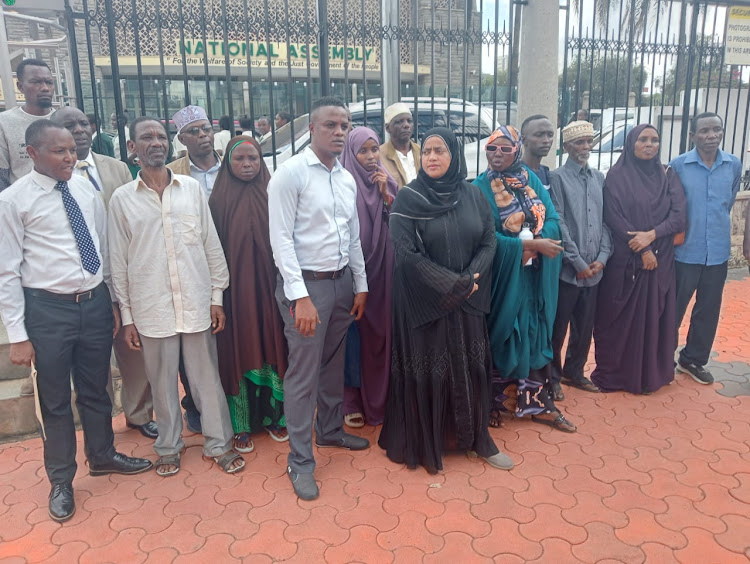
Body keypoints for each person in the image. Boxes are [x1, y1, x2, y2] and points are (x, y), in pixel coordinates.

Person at [0, 121, 152, 522]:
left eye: (72, 149)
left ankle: (102, 455)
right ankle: (61, 479)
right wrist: (18, 334)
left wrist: (115, 303)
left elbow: (102, 249)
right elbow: (7, 272)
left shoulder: (85, 189)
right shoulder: (13, 202)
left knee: (96, 388)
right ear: (32, 153)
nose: (71, 157)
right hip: (47, 311)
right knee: (54, 399)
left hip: (94, 304)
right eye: (59, 151)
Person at [108, 116, 244, 477]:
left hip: (197, 301)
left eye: (160, 136)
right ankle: (168, 446)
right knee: (162, 382)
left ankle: (219, 443)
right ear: (132, 149)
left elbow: (210, 245)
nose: (156, 142)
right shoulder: (122, 200)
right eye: (146, 137)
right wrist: (129, 317)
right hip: (151, 307)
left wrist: (217, 295)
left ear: (170, 144)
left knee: (206, 380)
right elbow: (118, 262)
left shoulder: (191, 190)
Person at [379, 126, 513, 474]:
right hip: (425, 302)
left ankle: (477, 438)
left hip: (468, 299)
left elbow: (489, 241)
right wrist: (452, 284)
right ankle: (429, 442)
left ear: (454, 156)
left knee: (471, 367)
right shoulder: (409, 198)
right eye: (427, 152)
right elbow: (406, 254)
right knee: (431, 368)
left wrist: (469, 281)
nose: (433, 157)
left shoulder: (473, 195)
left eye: (441, 151)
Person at [268, 96, 369, 501]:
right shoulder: (290, 175)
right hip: (306, 289)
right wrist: (300, 297)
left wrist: (360, 285)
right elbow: (280, 240)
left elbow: (354, 236)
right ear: (311, 129)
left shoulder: (345, 178)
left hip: (341, 284)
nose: (339, 132)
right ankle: (300, 460)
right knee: (304, 374)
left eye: (344, 125)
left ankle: (329, 431)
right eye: (330, 125)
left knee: (332, 365)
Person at [51, 107, 157, 439]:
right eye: (70, 125)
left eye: (85, 123)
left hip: (124, 270)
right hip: (81, 281)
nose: (80, 130)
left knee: (134, 350)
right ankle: (102, 423)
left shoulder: (115, 168)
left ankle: (140, 414)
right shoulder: (50, 175)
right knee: (95, 359)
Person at [473, 125, 576, 434]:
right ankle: (493, 402)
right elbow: (483, 238)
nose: (498, 155)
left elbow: (555, 219)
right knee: (504, 333)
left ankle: (537, 403)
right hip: (505, 279)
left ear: (517, 150)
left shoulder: (531, 181)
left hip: (534, 278)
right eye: (492, 148)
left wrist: (542, 237)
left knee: (535, 334)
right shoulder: (480, 188)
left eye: (506, 148)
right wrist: (527, 245)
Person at [590, 124, 687, 394]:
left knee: (655, 316)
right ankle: (616, 374)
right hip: (625, 261)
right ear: (631, 143)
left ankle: (650, 375)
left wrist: (652, 236)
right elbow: (612, 216)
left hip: (660, 261)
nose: (649, 144)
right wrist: (642, 249)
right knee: (615, 317)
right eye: (643, 139)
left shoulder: (668, 175)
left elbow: (679, 216)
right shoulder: (617, 176)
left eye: (654, 140)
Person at [208, 135, 289, 452]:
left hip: (270, 291)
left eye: (252, 159)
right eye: (239, 159)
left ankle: (275, 418)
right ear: (227, 162)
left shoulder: (274, 195)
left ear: (262, 161)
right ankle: (240, 425)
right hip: (234, 295)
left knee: (273, 342)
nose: (246, 165)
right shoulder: (217, 201)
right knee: (238, 348)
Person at [670, 112, 742, 385]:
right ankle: (664, 359)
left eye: (717, 130)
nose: (711, 136)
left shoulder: (733, 165)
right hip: (685, 252)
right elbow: (674, 206)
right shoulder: (679, 166)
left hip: (718, 252)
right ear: (692, 136)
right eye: (704, 131)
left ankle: (692, 360)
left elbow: (730, 199)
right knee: (674, 309)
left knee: (708, 310)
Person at [548, 121, 612, 401]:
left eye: (589, 142)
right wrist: (576, 261)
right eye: (579, 143)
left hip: (595, 270)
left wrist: (602, 257)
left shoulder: (599, 178)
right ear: (566, 147)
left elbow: (606, 221)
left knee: (585, 326)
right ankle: (551, 377)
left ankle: (574, 372)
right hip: (568, 270)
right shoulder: (557, 178)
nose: (585, 147)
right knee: (558, 327)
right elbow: (558, 221)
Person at [339, 127, 398, 428]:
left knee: (384, 333)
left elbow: (403, 224)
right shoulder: (342, 183)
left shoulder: (388, 181)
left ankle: (385, 396)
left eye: (375, 149)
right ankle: (352, 400)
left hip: (386, 275)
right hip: (355, 276)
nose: (371, 156)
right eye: (363, 150)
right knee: (354, 337)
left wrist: (387, 192)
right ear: (351, 152)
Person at [0, 59, 56, 191]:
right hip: (23, 205)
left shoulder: (63, 120)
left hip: (62, 200)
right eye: (36, 82)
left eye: (49, 82)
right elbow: (2, 176)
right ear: (20, 87)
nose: (45, 88)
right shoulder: (4, 122)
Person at [168, 105, 222, 200]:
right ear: (181, 139)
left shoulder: (231, 165)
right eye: (194, 131)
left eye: (206, 129)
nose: (202, 134)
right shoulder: (170, 173)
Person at [380, 103, 421, 188]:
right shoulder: (380, 155)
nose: (406, 125)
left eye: (409, 121)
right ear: (388, 128)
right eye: (399, 122)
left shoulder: (422, 152)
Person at [520, 114, 555, 188]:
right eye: (539, 135)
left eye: (550, 135)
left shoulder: (547, 175)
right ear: (523, 140)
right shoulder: (515, 174)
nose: (546, 140)